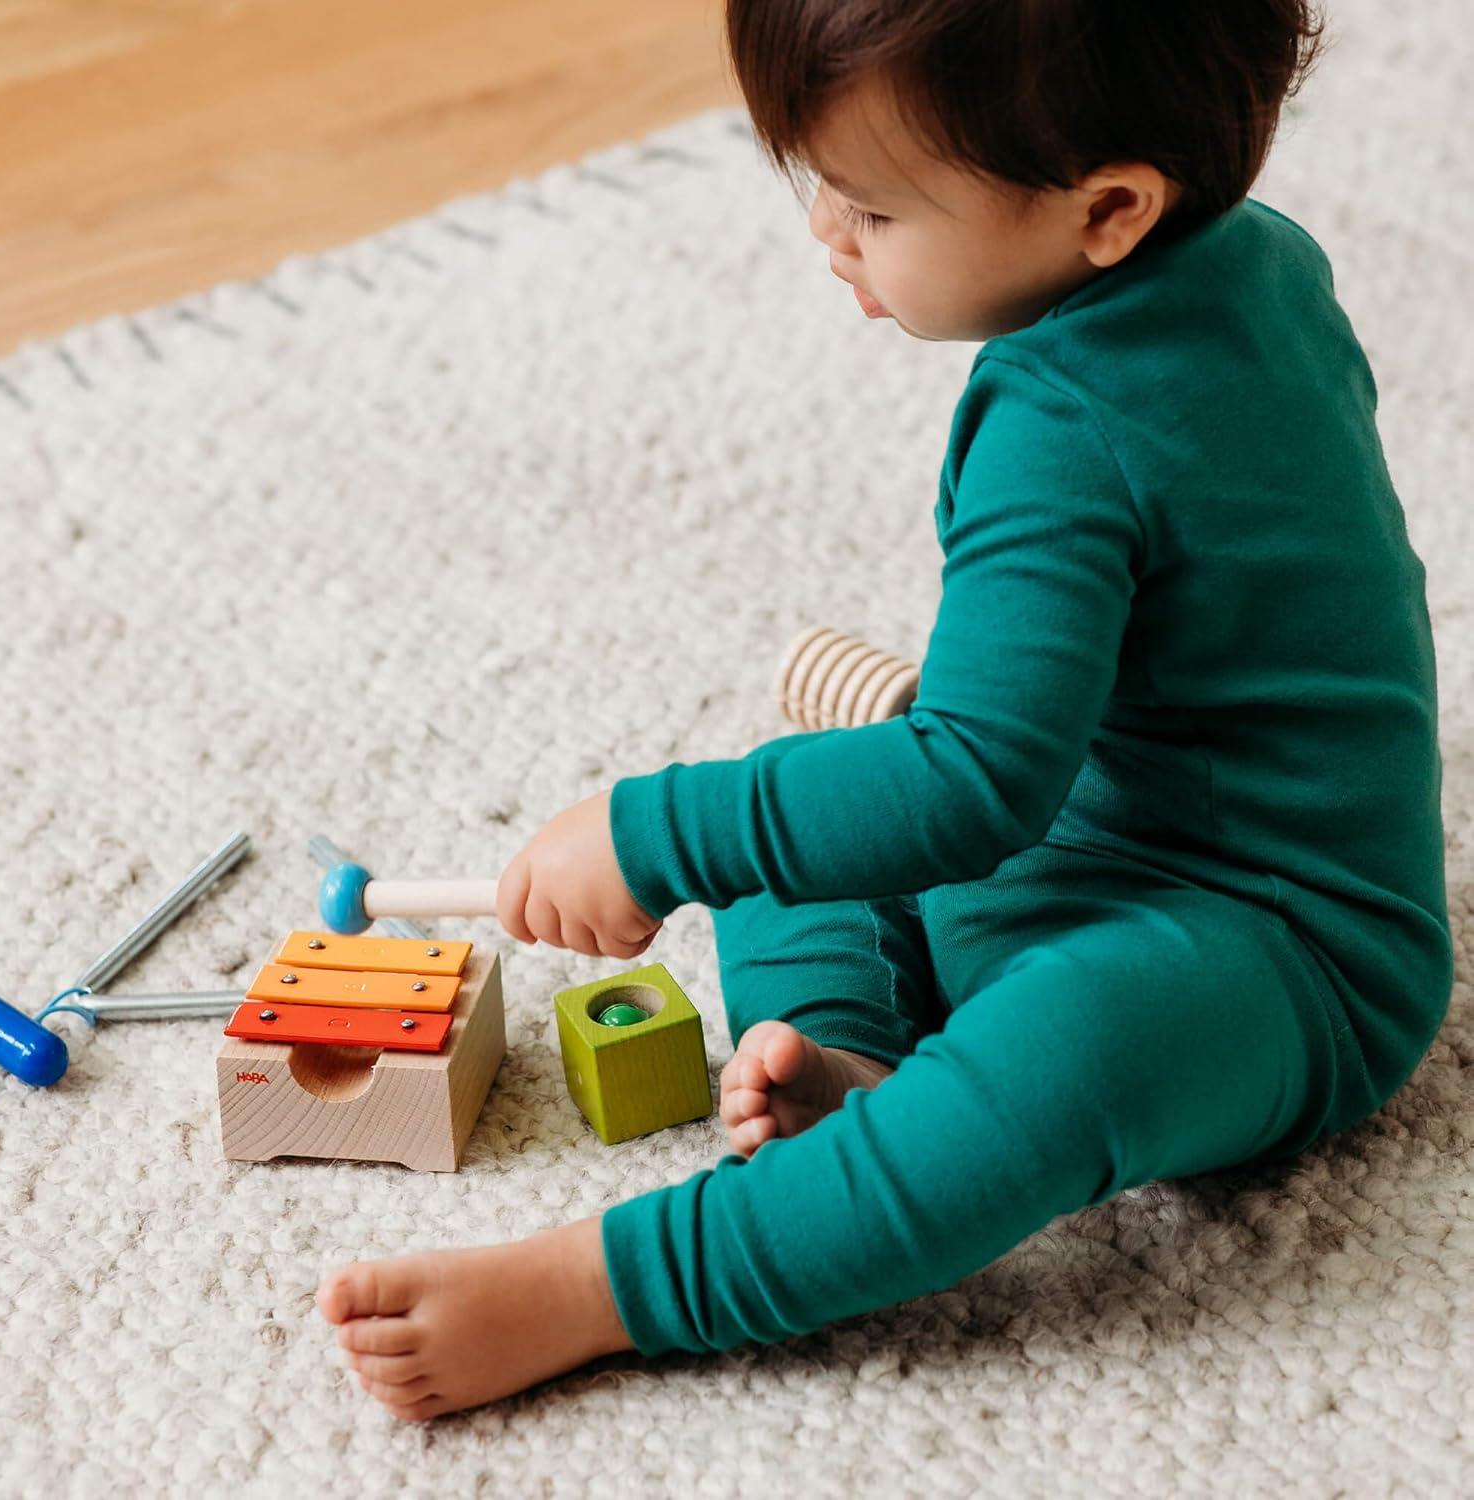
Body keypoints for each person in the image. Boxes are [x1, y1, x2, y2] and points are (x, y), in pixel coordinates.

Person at [316, 0, 1453, 1421]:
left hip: (1284, 951)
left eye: (867, 206)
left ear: (1107, 209)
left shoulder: (1059, 424)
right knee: (799, 805)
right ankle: (838, 1069)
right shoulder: (1260, 259)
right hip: (1081, 827)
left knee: (1053, 1044)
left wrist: (647, 833)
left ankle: (610, 1288)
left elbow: (976, 782)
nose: (826, 237)